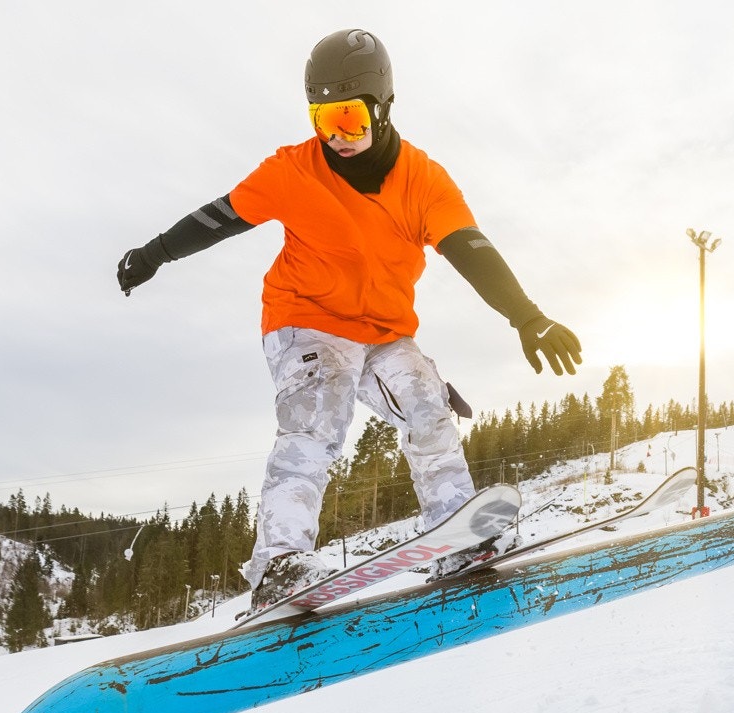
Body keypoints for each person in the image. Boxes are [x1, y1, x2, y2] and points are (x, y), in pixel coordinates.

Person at [118, 28, 582, 611]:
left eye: (349, 118)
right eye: (322, 120)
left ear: (383, 107)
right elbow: (219, 217)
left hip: (383, 331)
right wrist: (153, 254)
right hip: (305, 319)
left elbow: (469, 248)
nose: (336, 136)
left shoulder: (423, 180)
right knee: (320, 414)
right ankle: (280, 562)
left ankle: (459, 537)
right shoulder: (293, 171)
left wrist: (527, 317)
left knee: (427, 402)